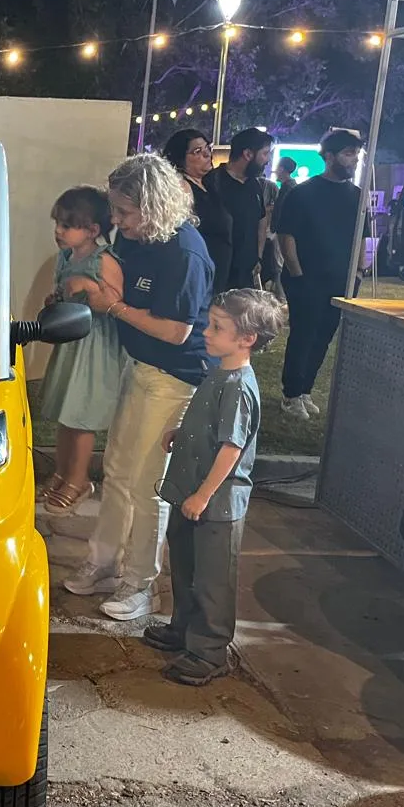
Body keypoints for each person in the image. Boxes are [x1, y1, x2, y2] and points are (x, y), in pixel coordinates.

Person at [64, 154, 215, 621]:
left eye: (124, 211)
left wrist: (114, 308)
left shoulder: (184, 253)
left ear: (152, 206)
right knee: (118, 473)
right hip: (141, 367)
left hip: (174, 378)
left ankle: (140, 582)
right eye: (115, 209)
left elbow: (176, 331)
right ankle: (104, 562)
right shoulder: (136, 239)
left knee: (147, 485)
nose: (116, 220)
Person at [145, 289, 283, 686]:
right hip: (191, 494)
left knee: (212, 579)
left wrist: (203, 495)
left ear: (247, 339)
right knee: (186, 568)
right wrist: (181, 432)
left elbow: (232, 447)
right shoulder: (219, 369)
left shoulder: (239, 385)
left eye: (217, 327)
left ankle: (209, 651)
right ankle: (183, 630)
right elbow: (210, 423)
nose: (206, 331)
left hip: (215, 504)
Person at [36, 186, 125, 518]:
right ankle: (61, 472)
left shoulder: (104, 259)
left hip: (94, 347)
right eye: (57, 224)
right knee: (65, 412)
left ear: (93, 230)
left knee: (82, 415)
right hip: (71, 343)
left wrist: (87, 287)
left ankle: (79, 479)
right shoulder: (64, 258)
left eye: (67, 225)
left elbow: (115, 299)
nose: (59, 231)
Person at [275, 129, 365, 420]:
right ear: (329, 156)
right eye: (348, 153)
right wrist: (297, 274)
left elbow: (361, 237)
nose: (353, 160)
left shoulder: (356, 196)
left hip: (340, 279)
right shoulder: (303, 193)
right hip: (307, 278)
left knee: (324, 336)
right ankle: (291, 393)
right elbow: (287, 236)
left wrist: (360, 271)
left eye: (356, 154)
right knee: (303, 334)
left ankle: (305, 390)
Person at [164, 129, 230, 294]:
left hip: (216, 271)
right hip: (197, 274)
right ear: (180, 158)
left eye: (207, 148)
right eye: (197, 151)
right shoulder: (182, 186)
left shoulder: (208, 184)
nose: (207, 154)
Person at [205, 128, 273, 290]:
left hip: (246, 274)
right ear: (248, 154)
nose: (267, 160)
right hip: (217, 274)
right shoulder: (213, 182)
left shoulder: (255, 185)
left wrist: (258, 256)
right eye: (264, 153)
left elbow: (261, 219)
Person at [263, 156, 299, 301]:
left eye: (278, 168)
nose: (276, 171)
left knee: (279, 262)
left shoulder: (288, 188)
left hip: (282, 231)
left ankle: (281, 295)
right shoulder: (289, 187)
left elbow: (283, 210)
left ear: (283, 170)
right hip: (280, 229)